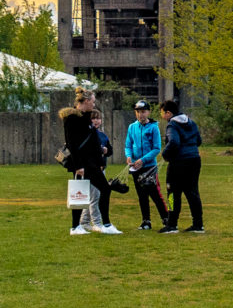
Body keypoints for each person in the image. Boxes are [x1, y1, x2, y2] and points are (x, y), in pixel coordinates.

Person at [63, 88, 120, 235]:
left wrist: (101, 156)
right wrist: (78, 165)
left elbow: (91, 142)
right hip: (84, 163)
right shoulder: (72, 119)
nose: (94, 105)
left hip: (91, 162)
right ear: (86, 101)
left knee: (80, 193)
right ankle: (104, 224)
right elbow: (72, 144)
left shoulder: (85, 118)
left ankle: (77, 226)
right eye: (93, 102)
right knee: (99, 190)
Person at [125, 99, 170, 231]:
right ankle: (146, 220)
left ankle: (165, 217)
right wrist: (128, 156)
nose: (141, 115)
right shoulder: (132, 127)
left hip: (149, 166)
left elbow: (156, 148)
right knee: (141, 194)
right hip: (135, 166)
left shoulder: (153, 127)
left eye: (143, 112)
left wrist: (143, 160)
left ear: (148, 112)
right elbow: (128, 144)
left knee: (155, 193)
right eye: (138, 112)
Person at [161, 100, 204, 234]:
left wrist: (165, 154)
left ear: (168, 113)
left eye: (162, 113)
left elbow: (174, 142)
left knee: (172, 193)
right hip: (194, 160)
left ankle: (172, 224)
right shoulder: (191, 122)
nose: (162, 116)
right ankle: (198, 224)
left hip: (179, 162)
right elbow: (199, 141)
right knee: (192, 192)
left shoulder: (172, 125)